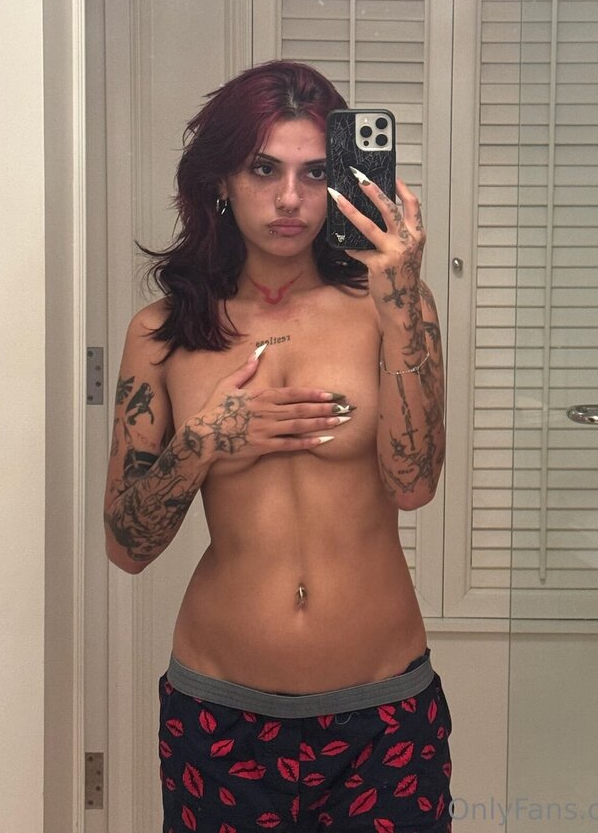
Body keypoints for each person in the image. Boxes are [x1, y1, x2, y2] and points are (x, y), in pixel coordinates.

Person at [103, 60, 452, 832]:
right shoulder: (163, 333)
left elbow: (414, 483)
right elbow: (126, 547)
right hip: (219, 715)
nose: (290, 198)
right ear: (222, 180)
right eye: (265, 169)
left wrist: (399, 302)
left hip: (383, 713)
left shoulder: (392, 308)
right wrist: (202, 442)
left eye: (315, 172)